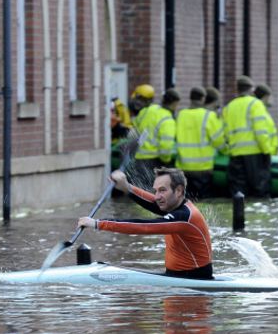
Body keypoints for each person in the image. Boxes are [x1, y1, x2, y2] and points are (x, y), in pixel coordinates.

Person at [78, 167, 214, 279]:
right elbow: (151, 202)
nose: (157, 196)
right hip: (178, 276)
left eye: (162, 190)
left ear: (178, 191)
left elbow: (144, 227)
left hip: (193, 279)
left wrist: (98, 223)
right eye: (155, 191)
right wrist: (127, 187)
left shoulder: (184, 217)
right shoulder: (176, 206)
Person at [221, 76, 273, 197]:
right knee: (259, 192)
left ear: (237, 90)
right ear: (251, 89)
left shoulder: (228, 107)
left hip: (235, 155)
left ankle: (239, 215)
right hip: (255, 154)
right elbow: (260, 132)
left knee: (239, 193)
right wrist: (267, 151)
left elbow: (226, 133)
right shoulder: (256, 104)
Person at [175, 87, 225, 199]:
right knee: (203, 203)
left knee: (186, 202)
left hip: (183, 168)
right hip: (203, 169)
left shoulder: (181, 115)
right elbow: (218, 141)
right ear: (203, 98)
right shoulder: (209, 116)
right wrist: (226, 151)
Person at [134, 87, 180, 173]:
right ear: (174, 103)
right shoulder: (167, 119)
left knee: (138, 186)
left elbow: (135, 126)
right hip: (154, 161)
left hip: (138, 158)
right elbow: (166, 146)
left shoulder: (148, 110)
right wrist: (166, 160)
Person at [254, 83, 278, 155]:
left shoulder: (263, 111)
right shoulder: (259, 111)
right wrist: (268, 150)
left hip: (269, 152)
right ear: (266, 97)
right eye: (271, 96)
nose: (272, 99)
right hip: (266, 153)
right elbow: (261, 133)